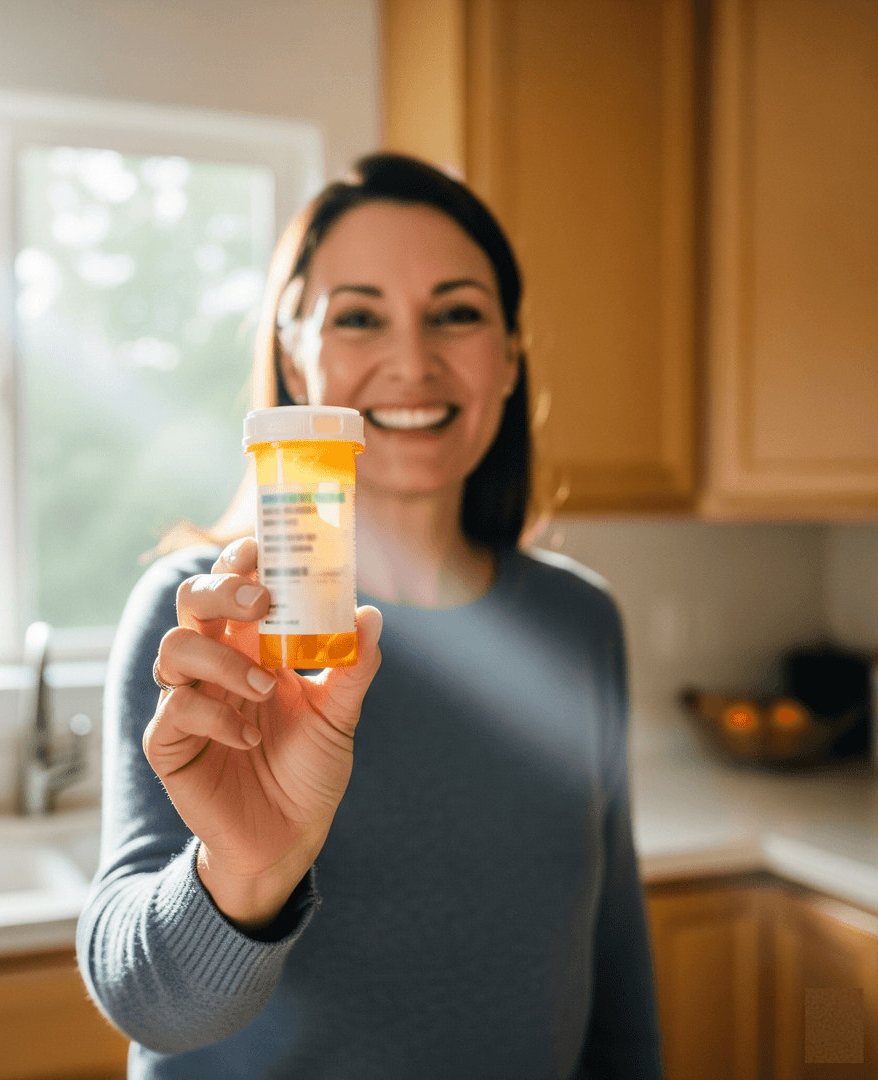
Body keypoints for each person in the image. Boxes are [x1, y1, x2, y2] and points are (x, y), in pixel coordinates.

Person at [77, 153, 663, 1079]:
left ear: (509, 357)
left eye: (457, 314)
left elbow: (614, 955)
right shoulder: (210, 627)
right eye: (357, 317)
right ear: (293, 352)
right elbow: (147, 1006)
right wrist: (245, 876)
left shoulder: (579, 621)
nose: (411, 361)